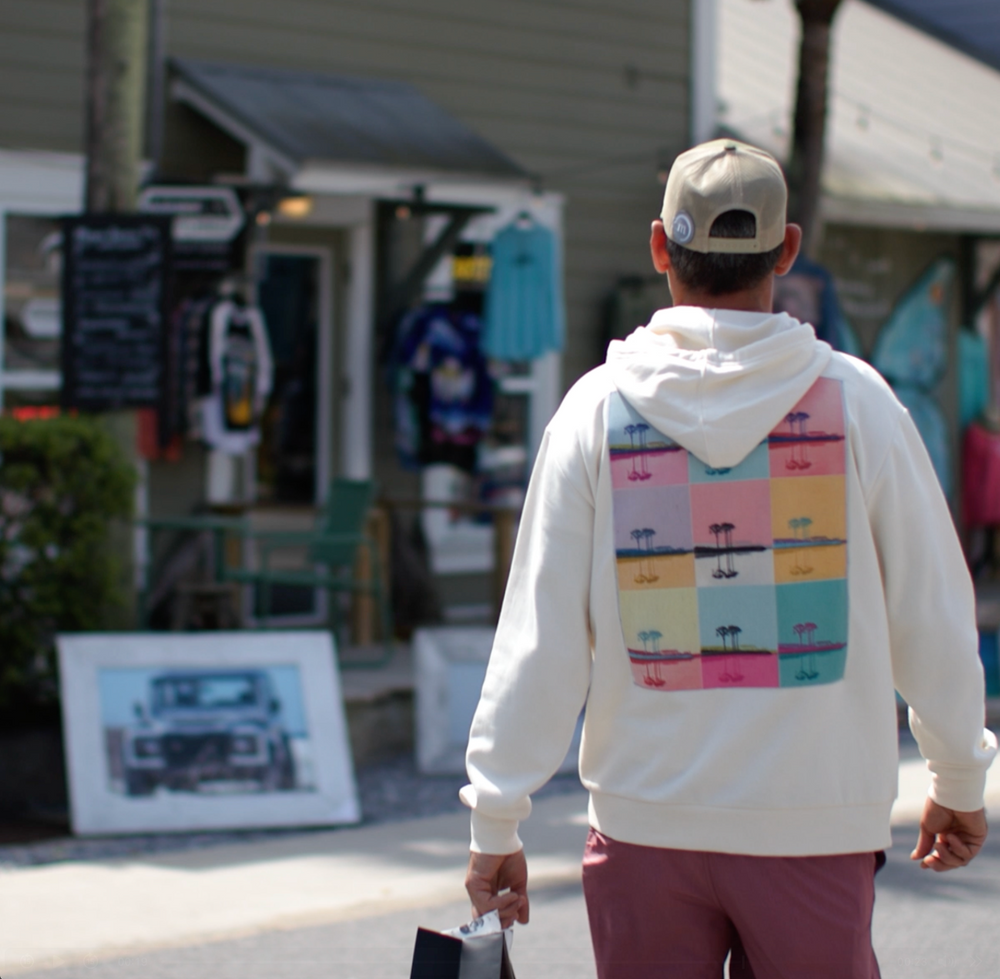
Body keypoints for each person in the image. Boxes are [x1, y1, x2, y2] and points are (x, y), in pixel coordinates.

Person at [460, 138, 997, 978]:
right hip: (816, 822)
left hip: (646, 823)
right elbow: (930, 608)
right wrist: (958, 773)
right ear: (787, 250)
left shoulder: (594, 413)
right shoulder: (860, 404)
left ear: (657, 248)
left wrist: (497, 817)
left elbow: (540, 636)